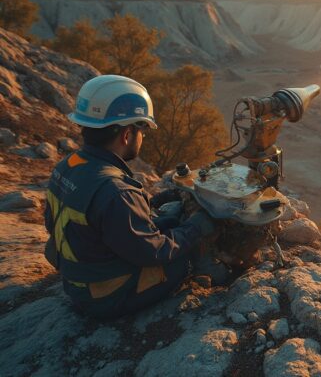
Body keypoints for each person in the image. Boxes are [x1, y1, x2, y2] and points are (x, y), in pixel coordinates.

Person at [43, 75, 216, 319]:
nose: (143, 136)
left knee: (171, 225)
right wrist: (195, 229)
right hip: (103, 297)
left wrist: (161, 210)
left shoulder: (68, 165)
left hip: (77, 279)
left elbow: (86, 222)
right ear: (126, 134)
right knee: (182, 259)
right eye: (142, 129)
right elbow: (152, 252)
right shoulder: (116, 190)